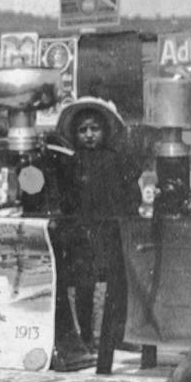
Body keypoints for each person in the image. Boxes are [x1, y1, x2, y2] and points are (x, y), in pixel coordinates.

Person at [57, 100, 139, 348]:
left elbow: (130, 193)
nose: (89, 135)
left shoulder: (116, 160)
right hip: (82, 233)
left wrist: (128, 214)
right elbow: (66, 198)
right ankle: (85, 336)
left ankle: (117, 336)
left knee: (118, 283)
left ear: (105, 130)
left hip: (111, 229)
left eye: (95, 129)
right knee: (85, 284)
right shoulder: (71, 163)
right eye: (83, 130)